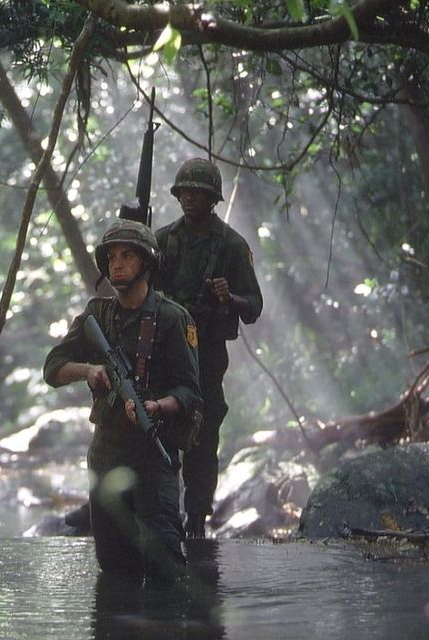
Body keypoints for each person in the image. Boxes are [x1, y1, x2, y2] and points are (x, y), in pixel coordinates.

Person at [43, 219, 202, 581]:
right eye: (112, 257)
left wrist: (158, 407)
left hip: (153, 453)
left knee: (165, 566)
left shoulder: (172, 318)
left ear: (145, 262)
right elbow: (52, 368)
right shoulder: (96, 316)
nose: (117, 264)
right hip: (107, 454)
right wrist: (88, 371)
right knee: (114, 566)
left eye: (127, 256)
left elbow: (191, 393)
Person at [153, 157, 263, 539]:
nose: (188, 198)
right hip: (165, 354)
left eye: (196, 193)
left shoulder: (232, 245)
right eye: (183, 191)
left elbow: (254, 307)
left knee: (202, 433)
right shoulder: (162, 241)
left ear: (211, 198)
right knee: (158, 429)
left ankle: (196, 518)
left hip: (208, 353)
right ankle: (160, 514)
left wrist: (229, 297)